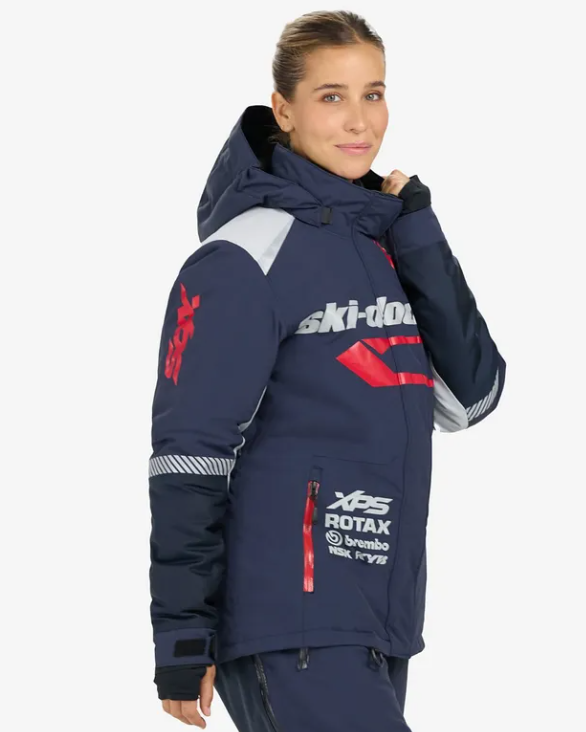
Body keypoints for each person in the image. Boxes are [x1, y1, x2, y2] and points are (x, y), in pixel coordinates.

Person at [147, 9, 506, 730]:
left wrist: (419, 235)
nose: (359, 121)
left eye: (373, 93)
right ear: (284, 109)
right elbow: (188, 454)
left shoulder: (382, 246)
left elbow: (470, 398)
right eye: (331, 96)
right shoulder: (244, 256)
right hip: (290, 619)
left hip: (379, 616)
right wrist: (183, 635)